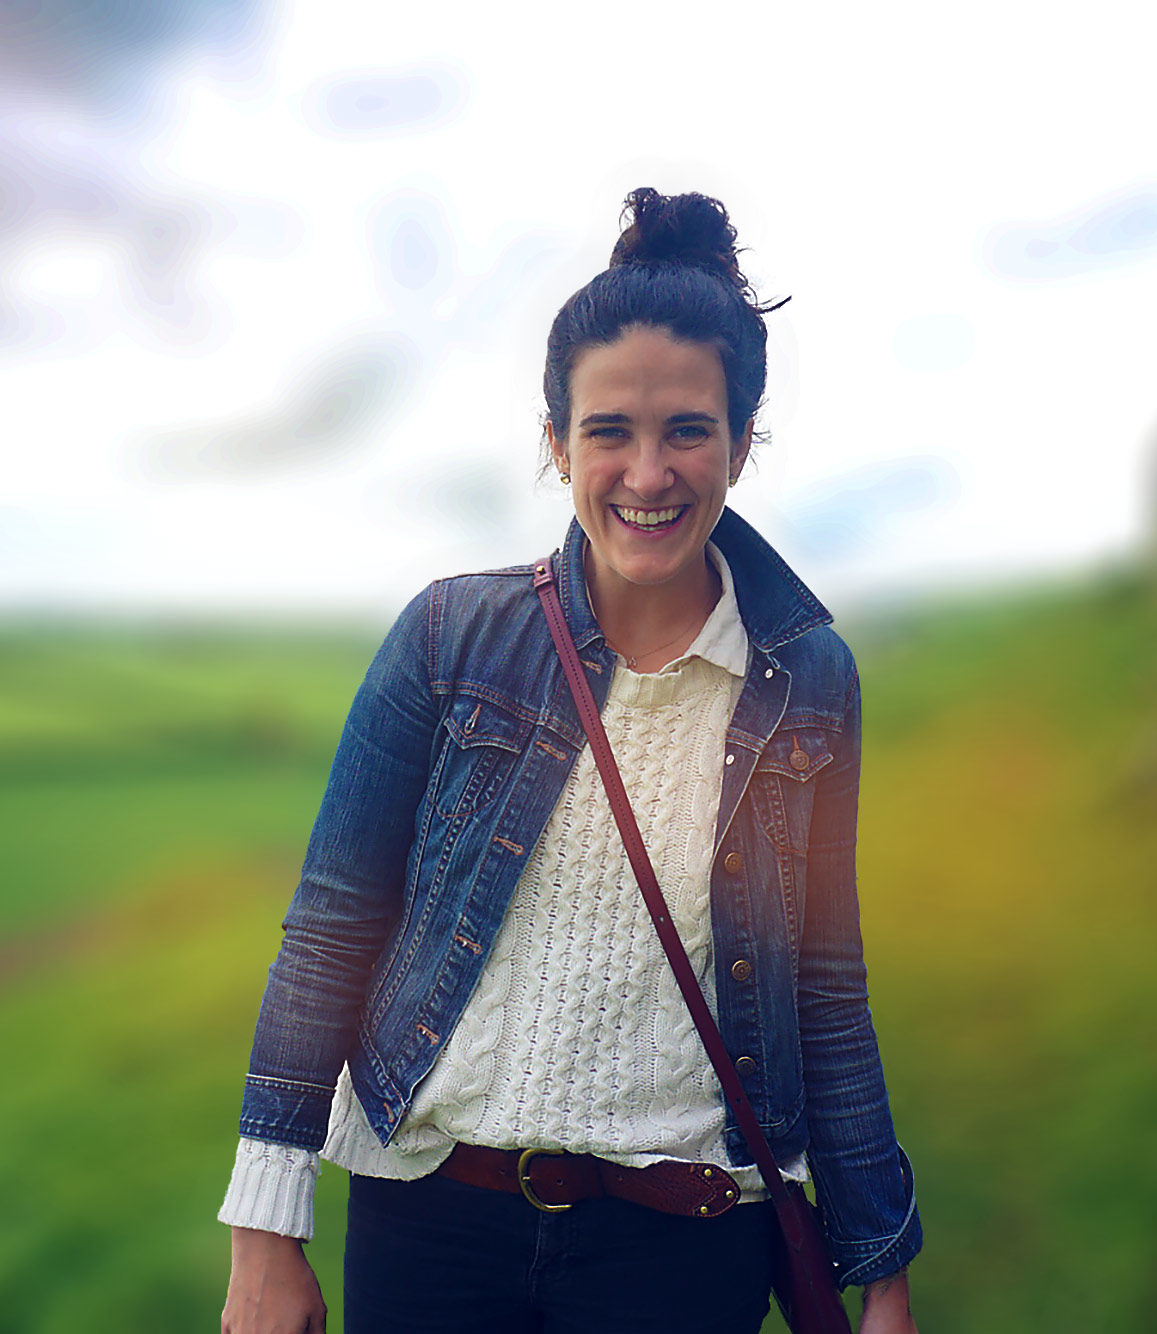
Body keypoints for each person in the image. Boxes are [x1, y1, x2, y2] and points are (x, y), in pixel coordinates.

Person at [219, 187, 922, 1333]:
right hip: (430, 1227)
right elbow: (333, 923)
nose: (649, 473)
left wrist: (879, 1265)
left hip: (686, 1245)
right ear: (557, 444)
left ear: (743, 442)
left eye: (688, 429)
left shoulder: (810, 680)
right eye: (610, 432)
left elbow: (824, 982)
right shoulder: (450, 638)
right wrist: (266, 1231)